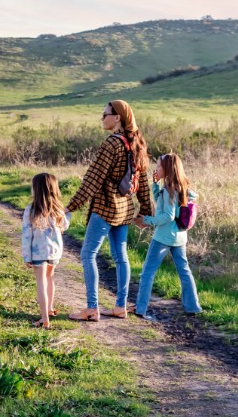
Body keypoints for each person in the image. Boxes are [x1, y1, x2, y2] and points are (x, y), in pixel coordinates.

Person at [66, 101, 153, 321]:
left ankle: (92, 308)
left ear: (117, 118)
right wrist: (146, 211)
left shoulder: (111, 144)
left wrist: (70, 207)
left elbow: (92, 180)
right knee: (121, 258)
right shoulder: (138, 143)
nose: (102, 118)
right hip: (125, 210)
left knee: (87, 254)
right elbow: (142, 182)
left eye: (105, 114)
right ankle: (120, 307)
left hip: (105, 208)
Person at [133, 153, 202, 320]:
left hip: (163, 237)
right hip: (179, 237)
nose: (156, 169)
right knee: (184, 271)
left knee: (147, 272)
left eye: (158, 166)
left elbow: (167, 215)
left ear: (168, 169)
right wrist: (155, 186)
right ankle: (193, 307)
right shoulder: (182, 188)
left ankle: (140, 308)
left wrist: (147, 220)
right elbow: (163, 205)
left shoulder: (169, 190)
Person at [22, 173, 71, 329]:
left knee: (41, 282)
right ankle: (49, 308)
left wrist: (26, 256)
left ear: (36, 190)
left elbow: (26, 234)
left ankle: (44, 319)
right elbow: (64, 226)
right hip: (55, 251)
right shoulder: (58, 209)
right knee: (50, 278)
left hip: (38, 252)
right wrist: (68, 214)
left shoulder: (31, 210)